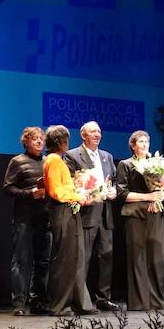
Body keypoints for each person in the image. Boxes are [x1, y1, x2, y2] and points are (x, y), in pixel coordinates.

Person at [65, 121, 121, 311]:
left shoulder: (107, 156)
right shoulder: (72, 156)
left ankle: (103, 298)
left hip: (105, 214)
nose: (97, 134)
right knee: (84, 257)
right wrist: (88, 191)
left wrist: (112, 191)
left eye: (99, 131)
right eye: (92, 132)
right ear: (83, 135)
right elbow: (72, 183)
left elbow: (112, 182)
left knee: (106, 255)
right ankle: (80, 299)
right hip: (87, 213)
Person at [42, 124, 94, 316]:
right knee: (65, 259)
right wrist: (76, 197)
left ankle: (74, 302)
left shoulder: (57, 159)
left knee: (74, 257)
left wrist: (79, 188)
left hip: (68, 210)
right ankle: (59, 305)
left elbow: (64, 186)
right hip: (62, 211)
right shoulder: (54, 160)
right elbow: (56, 190)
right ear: (61, 142)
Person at [115, 130, 164, 311]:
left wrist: (160, 194)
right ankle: (138, 301)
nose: (145, 144)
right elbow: (122, 194)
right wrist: (148, 196)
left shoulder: (156, 165)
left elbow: (161, 190)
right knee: (137, 258)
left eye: (147, 141)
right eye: (141, 142)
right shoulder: (125, 164)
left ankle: (155, 300)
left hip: (153, 214)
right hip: (135, 215)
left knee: (156, 257)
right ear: (133, 145)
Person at [2, 126, 51, 316]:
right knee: (21, 260)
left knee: (43, 262)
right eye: (34, 139)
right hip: (24, 217)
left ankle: (38, 301)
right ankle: (20, 303)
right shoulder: (18, 161)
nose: (39, 142)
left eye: (41, 139)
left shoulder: (49, 161)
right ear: (26, 142)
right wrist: (29, 194)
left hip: (45, 217)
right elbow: (7, 188)